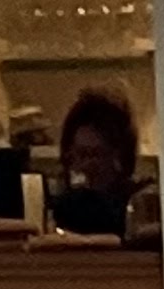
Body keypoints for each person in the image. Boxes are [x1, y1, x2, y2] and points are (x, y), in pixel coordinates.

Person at [51, 87, 142, 239]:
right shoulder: (66, 205)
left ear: (118, 155)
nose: (86, 165)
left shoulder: (135, 206)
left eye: (95, 154)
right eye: (80, 154)